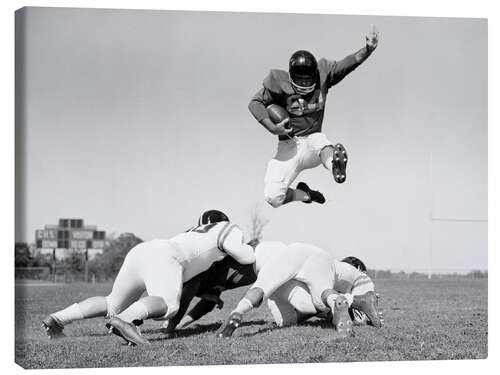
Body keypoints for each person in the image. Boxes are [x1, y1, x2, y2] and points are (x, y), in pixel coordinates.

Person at [41, 210, 255, 346]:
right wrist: (250, 247)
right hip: (166, 256)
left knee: (111, 303)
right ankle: (126, 320)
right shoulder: (227, 228)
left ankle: (58, 318)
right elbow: (246, 256)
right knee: (169, 304)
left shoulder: (191, 233)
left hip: (142, 251)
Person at [248, 27, 379, 207]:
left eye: (308, 79)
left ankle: (335, 163)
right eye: (300, 80)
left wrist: (367, 50)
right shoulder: (279, 83)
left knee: (319, 141)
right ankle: (305, 194)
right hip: (288, 146)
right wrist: (272, 126)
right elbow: (255, 102)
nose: (304, 83)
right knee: (273, 197)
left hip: (311, 142)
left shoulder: (323, 75)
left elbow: (347, 64)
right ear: (291, 76)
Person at [217, 241, 381, 338]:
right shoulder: (346, 271)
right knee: (317, 299)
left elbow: (260, 289)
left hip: (282, 261)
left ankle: (237, 311)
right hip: (307, 258)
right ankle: (354, 301)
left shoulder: (270, 254)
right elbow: (361, 277)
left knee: (264, 292)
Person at [265, 256, 383, 328]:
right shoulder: (351, 275)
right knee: (326, 299)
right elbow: (360, 320)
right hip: (289, 283)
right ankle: (355, 301)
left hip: (279, 286)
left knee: (284, 322)